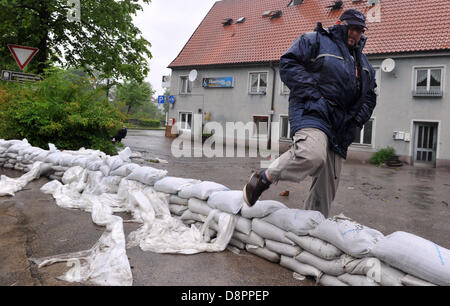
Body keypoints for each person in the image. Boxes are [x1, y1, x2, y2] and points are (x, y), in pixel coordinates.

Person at [243, 9, 377, 218]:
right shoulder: (315, 40)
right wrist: (315, 96)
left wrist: (357, 121)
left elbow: (370, 96)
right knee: (310, 154)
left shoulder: (364, 64)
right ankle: (263, 178)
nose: (356, 34)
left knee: (325, 193)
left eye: (360, 30)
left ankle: (310, 230)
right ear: (340, 23)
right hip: (313, 112)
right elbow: (288, 64)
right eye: (352, 28)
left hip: (342, 126)